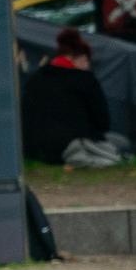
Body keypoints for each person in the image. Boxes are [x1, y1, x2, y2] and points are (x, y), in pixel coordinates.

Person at [21, 28, 119, 167]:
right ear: (84, 58)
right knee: (121, 143)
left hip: (35, 149)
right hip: (69, 142)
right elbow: (103, 122)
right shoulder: (85, 79)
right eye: (88, 63)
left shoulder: (36, 78)